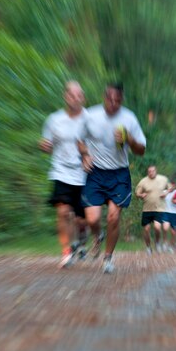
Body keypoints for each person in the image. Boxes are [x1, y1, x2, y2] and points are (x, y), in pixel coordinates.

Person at [77, 83, 146, 274]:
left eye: (118, 100)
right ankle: (98, 236)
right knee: (92, 219)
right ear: (104, 96)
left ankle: (108, 258)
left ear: (122, 100)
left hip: (119, 173)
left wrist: (129, 139)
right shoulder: (90, 115)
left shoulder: (129, 118)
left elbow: (141, 150)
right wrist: (85, 155)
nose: (113, 103)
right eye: (110, 99)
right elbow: (79, 140)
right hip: (95, 172)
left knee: (114, 217)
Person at [40, 81, 88, 268]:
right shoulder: (54, 119)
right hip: (60, 171)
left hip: (84, 173)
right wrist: (44, 146)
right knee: (62, 211)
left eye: (78, 95)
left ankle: (82, 236)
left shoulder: (89, 119)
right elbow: (46, 143)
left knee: (81, 219)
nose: (75, 98)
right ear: (65, 96)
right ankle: (66, 252)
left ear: (83, 98)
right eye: (71, 95)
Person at [135, 165, 169, 255]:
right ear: (147, 172)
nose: (151, 173)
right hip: (147, 209)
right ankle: (148, 247)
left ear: (156, 171)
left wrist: (166, 193)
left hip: (159, 208)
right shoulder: (143, 181)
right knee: (146, 230)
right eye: (149, 171)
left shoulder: (163, 179)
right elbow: (137, 193)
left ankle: (157, 243)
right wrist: (140, 195)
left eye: (153, 171)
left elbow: (169, 188)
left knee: (157, 227)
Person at [161, 179, 176, 253]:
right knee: (165, 228)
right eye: (170, 185)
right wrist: (168, 191)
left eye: (173, 185)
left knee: (174, 232)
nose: (172, 187)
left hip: (175, 214)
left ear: (175, 186)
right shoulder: (165, 192)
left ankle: (171, 245)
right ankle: (165, 243)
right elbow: (161, 197)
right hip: (166, 212)